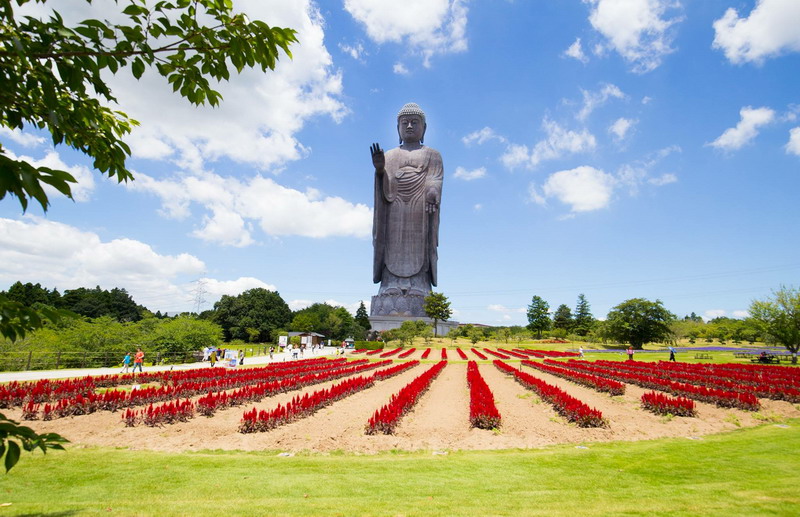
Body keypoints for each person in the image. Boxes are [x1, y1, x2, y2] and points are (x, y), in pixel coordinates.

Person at [370, 102, 443, 317]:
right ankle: (389, 285)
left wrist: (432, 191)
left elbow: (435, 178)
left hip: (419, 209)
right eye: (405, 123)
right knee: (391, 242)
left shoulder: (433, 155)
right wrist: (380, 170)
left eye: (415, 122)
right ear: (398, 128)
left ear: (424, 128)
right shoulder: (391, 156)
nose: (409, 126)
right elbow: (385, 189)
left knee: (420, 243)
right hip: (394, 208)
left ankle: (420, 286)